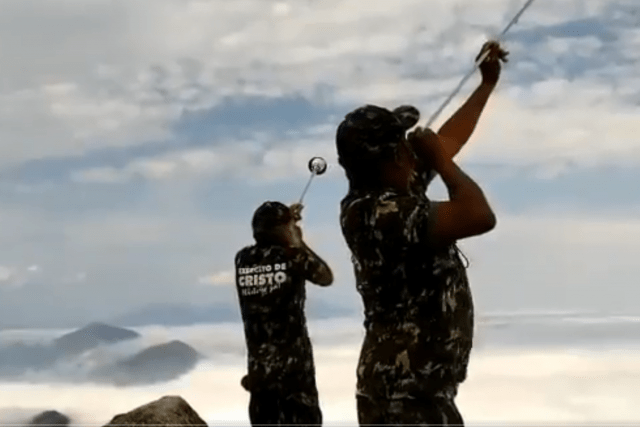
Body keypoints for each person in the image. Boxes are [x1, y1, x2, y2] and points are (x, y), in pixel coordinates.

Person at [335, 41, 507, 425]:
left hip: (419, 387)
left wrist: (486, 85)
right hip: (404, 395)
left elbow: (450, 139)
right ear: (392, 158)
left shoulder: (386, 189)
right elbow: (478, 216)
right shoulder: (380, 214)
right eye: (401, 145)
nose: (408, 152)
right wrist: (441, 161)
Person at [234, 201, 333, 426]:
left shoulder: (243, 259)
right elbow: (324, 276)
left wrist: (283, 222)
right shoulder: (292, 256)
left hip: (260, 372)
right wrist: (297, 240)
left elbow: (269, 251)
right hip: (293, 374)